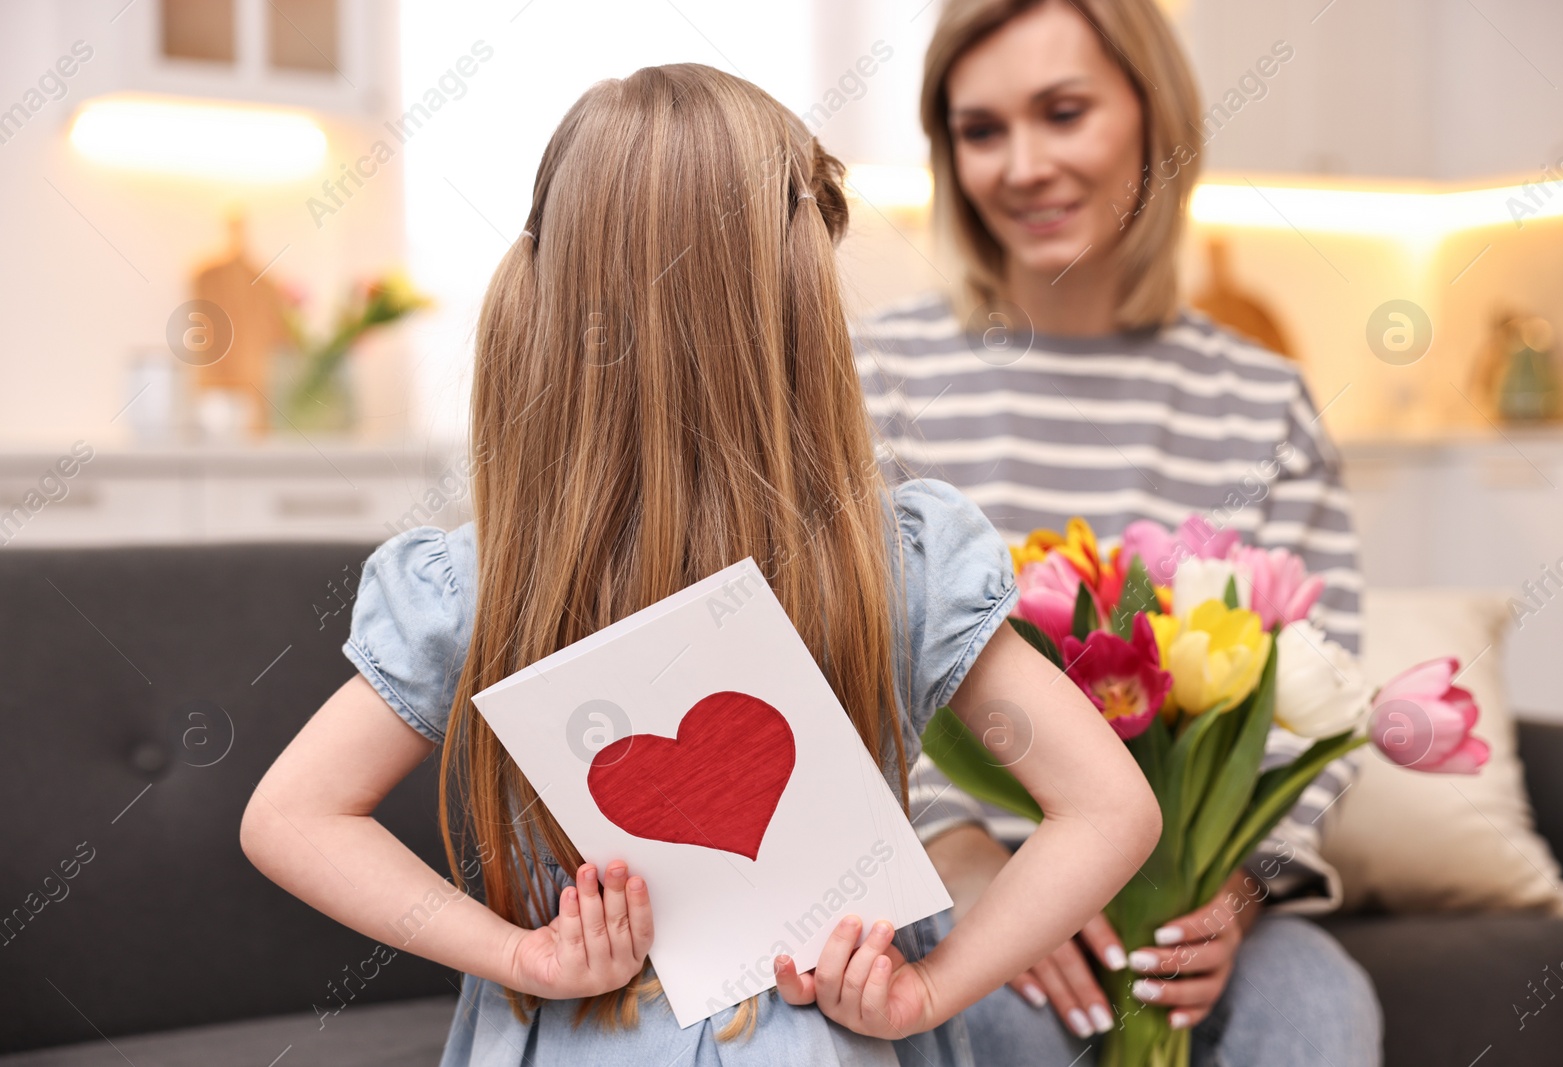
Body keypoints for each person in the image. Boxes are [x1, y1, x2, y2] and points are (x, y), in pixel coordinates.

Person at [239, 63, 1162, 1067]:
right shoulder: (898, 562)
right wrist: (928, 991)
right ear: (798, 308)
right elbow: (1110, 810)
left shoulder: (477, 580)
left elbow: (292, 816)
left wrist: (525, 954)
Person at [853, 1, 1382, 1064]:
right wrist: (972, 866)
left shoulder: (1260, 399)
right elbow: (845, 667)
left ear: (1154, 116)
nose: (1022, 164)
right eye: (982, 130)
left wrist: (1230, 898)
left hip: (1197, 883)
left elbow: (1328, 683)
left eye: (1063, 112)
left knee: (1318, 1008)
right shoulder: (876, 377)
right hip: (968, 874)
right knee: (998, 1015)